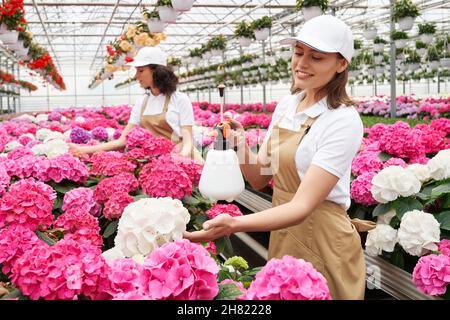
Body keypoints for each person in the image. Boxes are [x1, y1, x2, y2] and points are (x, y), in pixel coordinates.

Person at [185, 15, 375, 300]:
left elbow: (302, 205)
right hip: (282, 229)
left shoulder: (342, 120)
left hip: (323, 238)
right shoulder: (288, 106)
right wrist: (239, 144)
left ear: (341, 64)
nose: (302, 63)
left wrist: (234, 224)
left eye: (317, 57)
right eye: (298, 52)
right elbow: (260, 176)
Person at [69, 46, 202, 161]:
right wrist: (83, 149)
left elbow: (188, 140)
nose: (137, 76)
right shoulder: (142, 103)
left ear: (157, 71)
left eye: (141, 70)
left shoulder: (179, 99)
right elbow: (122, 141)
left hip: (181, 158)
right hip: (155, 161)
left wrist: (181, 158)